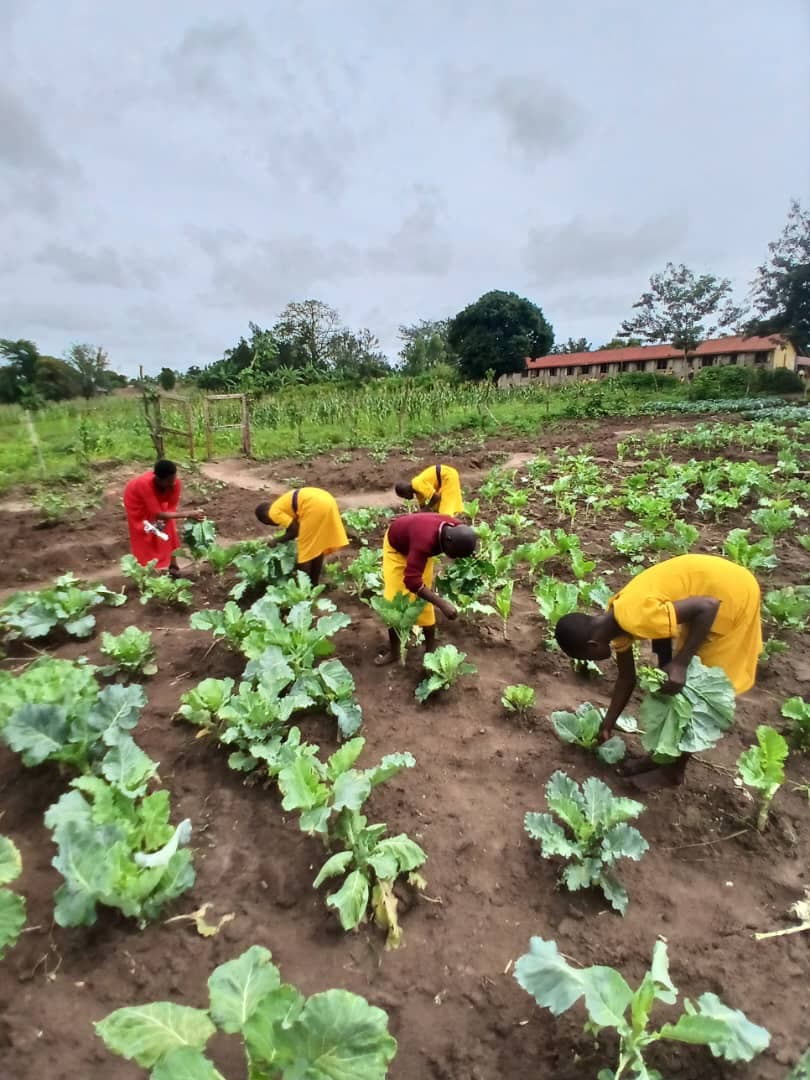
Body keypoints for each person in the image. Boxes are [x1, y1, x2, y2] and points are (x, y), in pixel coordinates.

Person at [554, 554, 762, 788]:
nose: (597, 661)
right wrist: (608, 723)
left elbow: (708, 606)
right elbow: (627, 677)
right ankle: (660, 758)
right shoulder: (614, 620)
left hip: (731, 594)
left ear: (593, 646)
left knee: (699, 684)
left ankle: (674, 771)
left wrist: (681, 664)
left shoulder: (635, 616)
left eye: (588, 659)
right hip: (709, 591)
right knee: (678, 680)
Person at [375, 512, 477, 665]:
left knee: (423, 603)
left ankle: (430, 654)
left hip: (417, 543)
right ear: (447, 540)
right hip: (397, 549)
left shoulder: (454, 527)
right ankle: (395, 653)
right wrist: (442, 603)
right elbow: (412, 581)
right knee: (394, 602)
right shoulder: (424, 543)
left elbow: (467, 538)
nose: (454, 558)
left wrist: (470, 550)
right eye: (454, 554)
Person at [123, 460, 205, 575]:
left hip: (156, 506)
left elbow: (170, 509)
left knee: (168, 526)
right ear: (158, 479)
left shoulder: (175, 483)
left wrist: (165, 521)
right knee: (145, 531)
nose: (172, 484)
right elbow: (158, 514)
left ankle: (173, 565)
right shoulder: (144, 484)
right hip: (137, 502)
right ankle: (147, 569)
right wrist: (189, 514)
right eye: (168, 481)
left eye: (173, 479)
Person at [255, 487, 348, 585]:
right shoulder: (280, 504)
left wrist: (276, 541)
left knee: (305, 554)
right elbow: (291, 528)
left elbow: (295, 530)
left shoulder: (272, 513)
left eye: (268, 524)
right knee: (317, 547)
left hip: (314, 506)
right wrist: (285, 537)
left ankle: (304, 588)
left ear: (265, 519)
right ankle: (314, 584)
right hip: (327, 499)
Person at [395, 463, 464, 516]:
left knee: (445, 514)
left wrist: (426, 509)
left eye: (404, 496)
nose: (406, 499)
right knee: (438, 509)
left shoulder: (417, 484)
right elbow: (423, 507)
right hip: (442, 481)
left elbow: (436, 497)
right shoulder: (418, 492)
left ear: (405, 492)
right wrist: (413, 514)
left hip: (448, 476)